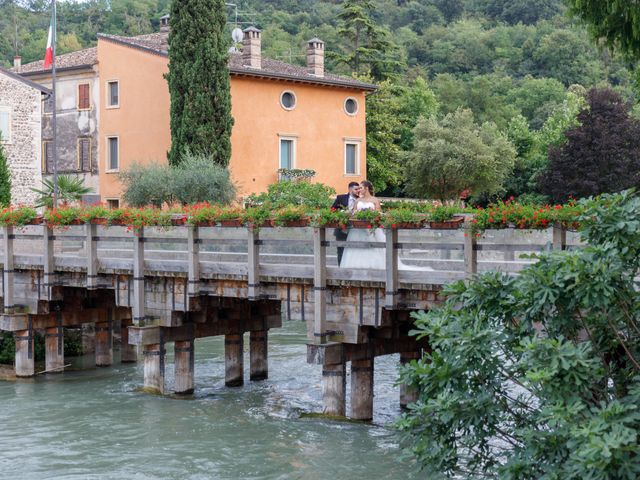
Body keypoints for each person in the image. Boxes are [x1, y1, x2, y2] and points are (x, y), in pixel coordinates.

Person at [340, 180, 432, 271]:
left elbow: (379, 214)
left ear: (366, 188)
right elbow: (354, 213)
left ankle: (374, 268)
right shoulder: (358, 200)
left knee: (374, 249)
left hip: (372, 228)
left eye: (361, 188)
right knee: (356, 249)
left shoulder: (375, 200)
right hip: (358, 229)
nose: (359, 190)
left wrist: (372, 215)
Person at [332, 182, 361, 266]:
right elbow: (332, 210)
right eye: (356, 189)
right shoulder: (340, 198)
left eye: (359, 189)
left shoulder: (362, 199)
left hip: (357, 230)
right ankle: (340, 269)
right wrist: (343, 212)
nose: (358, 191)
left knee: (355, 251)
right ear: (350, 189)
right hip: (341, 229)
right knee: (341, 250)